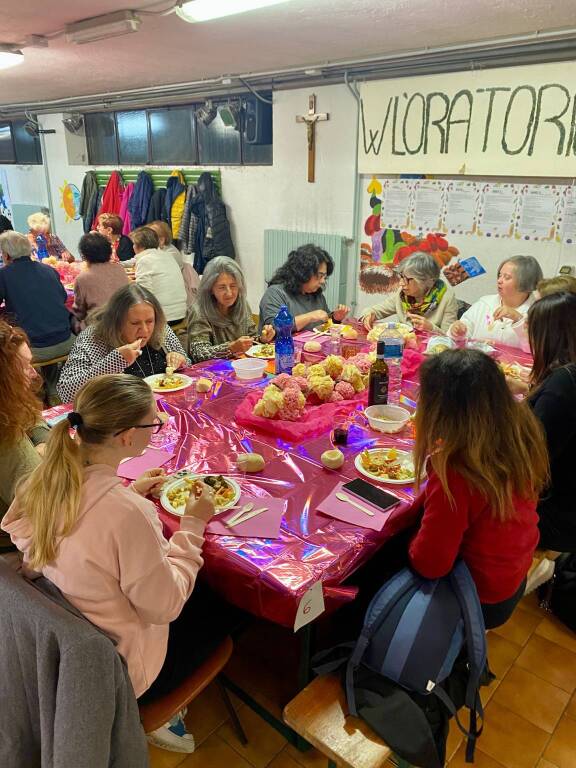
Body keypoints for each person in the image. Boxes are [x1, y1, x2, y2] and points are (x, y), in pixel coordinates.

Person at [2, 374, 229, 753]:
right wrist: (193, 525)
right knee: (220, 605)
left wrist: (125, 490)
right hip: (126, 669)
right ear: (127, 436)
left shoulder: (44, 482)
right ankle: (161, 711)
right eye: (153, 423)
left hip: (77, 635)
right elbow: (165, 606)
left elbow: (82, 531)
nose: (157, 428)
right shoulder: (128, 515)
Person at [409, 348, 548, 629]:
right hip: (512, 576)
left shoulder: (457, 469)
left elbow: (430, 564)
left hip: (479, 598)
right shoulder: (521, 430)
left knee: (384, 558)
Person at [57, 283, 189, 403]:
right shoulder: (93, 337)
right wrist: (114, 362)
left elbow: (187, 364)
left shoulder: (160, 328)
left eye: (149, 321)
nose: (145, 330)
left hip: (166, 406)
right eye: (135, 323)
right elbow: (66, 392)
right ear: (117, 322)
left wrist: (180, 361)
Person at [523, 292, 576, 556]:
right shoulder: (565, 373)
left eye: (531, 329)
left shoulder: (563, 385)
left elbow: (528, 459)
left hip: (557, 514)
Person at [0, 321, 49, 551]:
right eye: (25, 367)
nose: (33, 374)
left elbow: (28, 412)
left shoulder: (7, 403)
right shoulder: (9, 444)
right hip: (16, 549)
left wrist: (41, 440)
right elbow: (45, 518)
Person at [0, 231, 74, 368]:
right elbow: (63, 298)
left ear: (6, 254)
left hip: (35, 346)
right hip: (66, 338)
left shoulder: (4, 274)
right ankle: (51, 382)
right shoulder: (48, 270)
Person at [188, 256, 274, 363]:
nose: (229, 293)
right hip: (212, 372)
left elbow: (251, 338)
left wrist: (262, 339)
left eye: (233, 286)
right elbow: (198, 353)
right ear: (210, 289)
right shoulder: (199, 312)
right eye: (222, 287)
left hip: (239, 366)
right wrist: (231, 348)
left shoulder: (241, 304)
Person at [449, 255, 542, 348]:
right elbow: (464, 328)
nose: (499, 281)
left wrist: (518, 318)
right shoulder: (485, 303)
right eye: (499, 275)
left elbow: (535, 349)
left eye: (507, 277)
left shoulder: (538, 311)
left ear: (525, 282)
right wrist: (457, 331)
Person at [258, 244, 350, 333]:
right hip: (281, 348)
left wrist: (335, 318)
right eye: (319, 276)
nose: (323, 281)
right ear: (303, 273)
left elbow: (324, 324)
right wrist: (310, 317)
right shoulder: (275, 293)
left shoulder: (316, 294)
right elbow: (274, 329)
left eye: (324, 277)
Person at [361, 251, 458, 333]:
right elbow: (374, 310)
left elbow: (450, 338)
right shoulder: (402, 294)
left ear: (426, 281)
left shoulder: (447, 298)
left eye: (407, 279)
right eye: (401, 277)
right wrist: (368, 315)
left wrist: (431, 328)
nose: (401, 283)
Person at [131, 226, 187, 324]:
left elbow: (144, 295)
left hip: (165, 316)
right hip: (181, 312)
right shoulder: (167, 255)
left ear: (138, 246)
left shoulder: (145, 260)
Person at [72, 232, 129, 329]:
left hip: (99, 328)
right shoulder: (119, 268)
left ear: (84, 255)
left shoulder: (83, 278)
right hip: (123, 321)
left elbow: (79, 312)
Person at [148, 219, 200, 307]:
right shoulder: (159, 250)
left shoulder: (171, 253)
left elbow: (156, 270)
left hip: (176, 296)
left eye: (150, 237)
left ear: (161, 239)